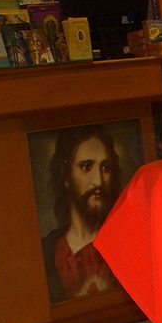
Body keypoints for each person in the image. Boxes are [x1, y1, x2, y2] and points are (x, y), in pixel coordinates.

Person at [41, 126, 123, 302]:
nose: (98, 181)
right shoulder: (49, 251)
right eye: (86, 167)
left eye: (106, 167)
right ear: (66, 176)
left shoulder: (126, 241)